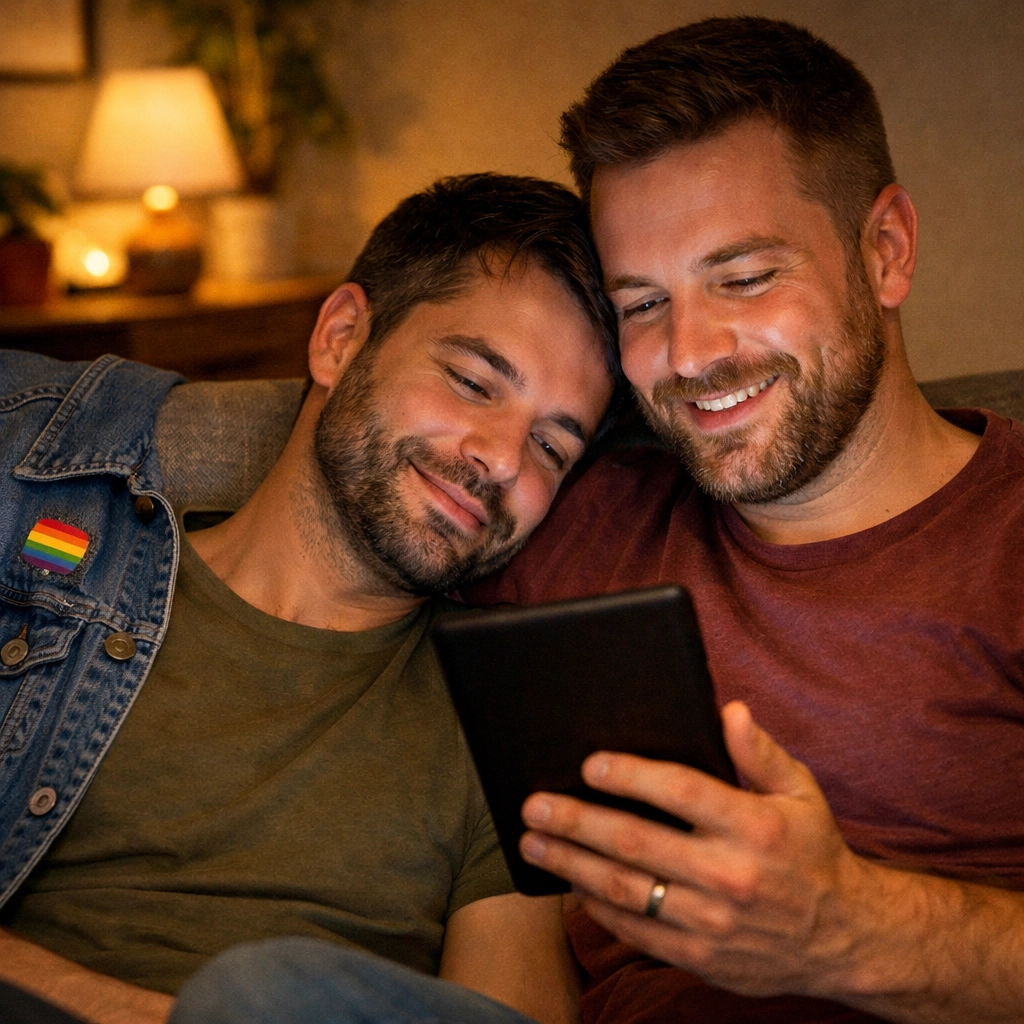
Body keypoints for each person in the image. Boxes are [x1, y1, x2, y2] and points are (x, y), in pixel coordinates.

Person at [466, 17, 1022, 1024]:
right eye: (641, 304)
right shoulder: (566, 527)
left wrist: (849, 925)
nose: (687, 354)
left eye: (746, 277)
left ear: (886, 251)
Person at [0, 172, 617, 1024]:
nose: (503, 459)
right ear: (341, 337)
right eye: (474, 383)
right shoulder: (51, 576)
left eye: (553, 445)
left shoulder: (503, 711)